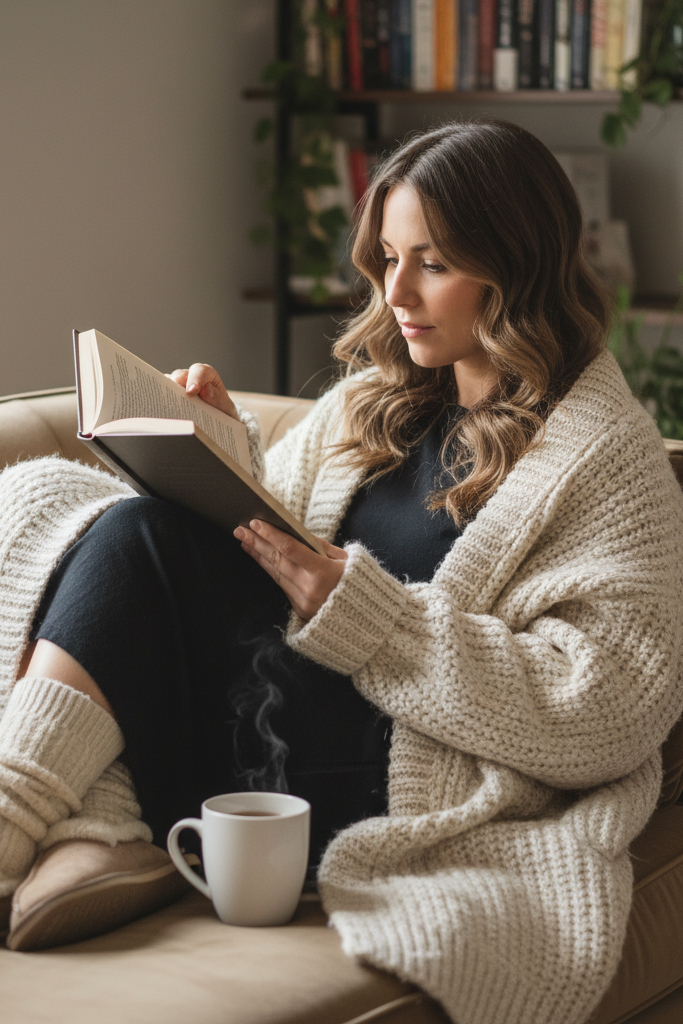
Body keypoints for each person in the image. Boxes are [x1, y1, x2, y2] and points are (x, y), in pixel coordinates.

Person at [0, 118, 681, 1024]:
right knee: (118, 520)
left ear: (515, 266)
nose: (396, 291)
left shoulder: (603, 456)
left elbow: (610, 710)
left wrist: (380, 624)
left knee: (136, 541)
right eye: (387, 257)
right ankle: (97, 825)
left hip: (397, 779)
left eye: (432, 263)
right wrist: (222, 453)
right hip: (273, 717)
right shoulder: (374, 400)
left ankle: (45, 824)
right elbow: (274, 547)